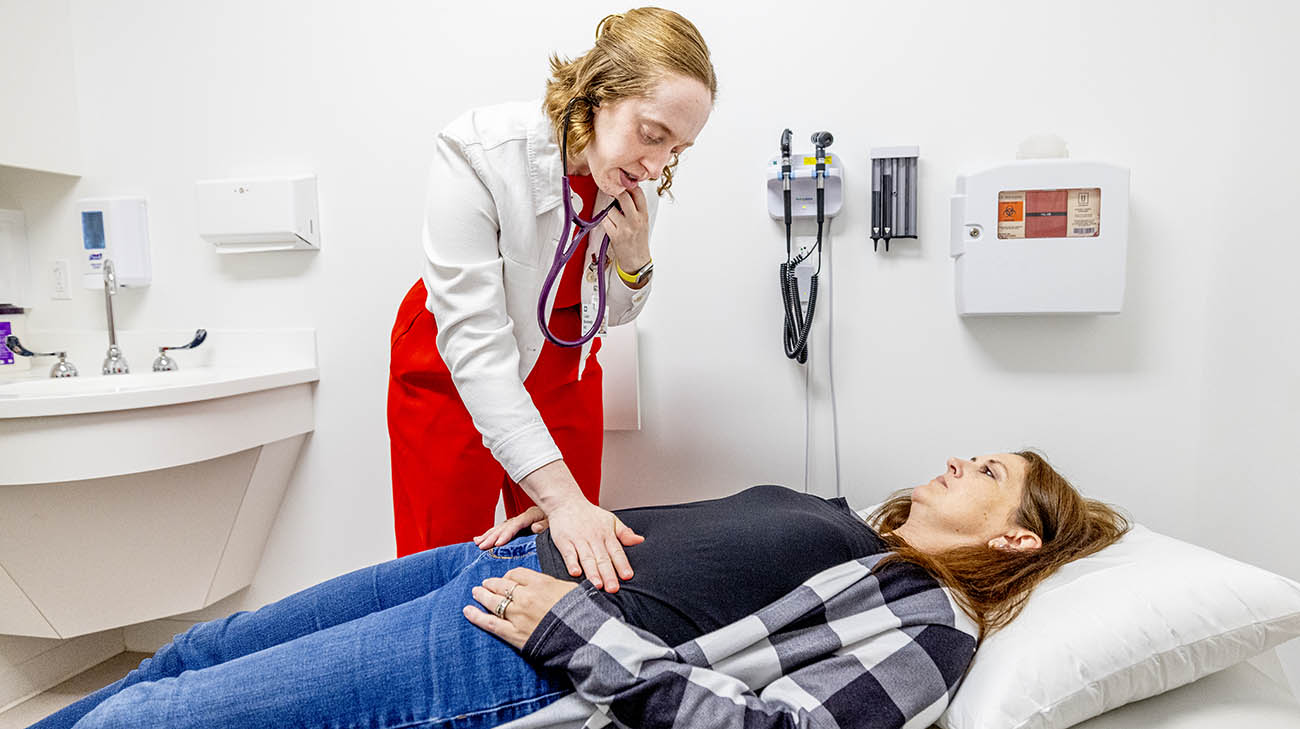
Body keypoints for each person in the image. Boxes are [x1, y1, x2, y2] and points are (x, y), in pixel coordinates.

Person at [34, 450, 1129, 729]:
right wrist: (560, 521)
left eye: (989, 473)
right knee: (188, 655)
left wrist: (573, 628)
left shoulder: (926, 616)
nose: (959, 462)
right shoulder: (848, 523)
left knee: (154, 715)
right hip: (493, 567)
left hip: (507, 642)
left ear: (1017, 539)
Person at [387, 6, 717, 595]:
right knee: (438, 561)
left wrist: (636, 260)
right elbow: (477, 348)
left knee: (569, 554)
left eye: (678, 149)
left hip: (563, 367)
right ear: (598, 92)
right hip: (451, 361)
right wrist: (559, 495)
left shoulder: (634, 181)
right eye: (653, 134)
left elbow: (613, 313)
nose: (658, 164)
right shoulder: (479, 151)